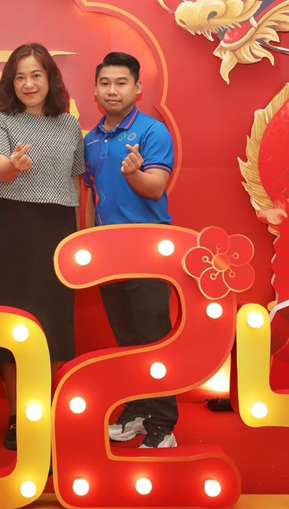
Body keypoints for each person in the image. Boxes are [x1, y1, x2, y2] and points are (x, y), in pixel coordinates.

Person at [0, 43, 85, 449]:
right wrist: (12, 165)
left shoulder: (69, 125)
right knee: (13, 324)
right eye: (20, 77)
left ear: (50, 78)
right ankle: (16, 417)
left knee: (53, 324)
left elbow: (76, 183)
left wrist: (81, 235)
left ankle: (41, 411)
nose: (28, 84)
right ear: (10, 82)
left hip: (57, 230)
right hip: (10, 228)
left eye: (36, 75)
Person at [83, 51, 178, 449]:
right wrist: (86, 241)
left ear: (137, 88)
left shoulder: (153, 132)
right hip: (108, 252)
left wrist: (135, 173)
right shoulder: (90, 139)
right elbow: (92, 196)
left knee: (153, 339)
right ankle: (138, 411)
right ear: (95, 90)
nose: (113, 90)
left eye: (121, 83)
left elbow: (155, 188)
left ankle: (163, 427)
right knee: (126, 338)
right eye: (105, 83)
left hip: (147, 251)